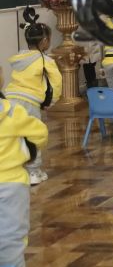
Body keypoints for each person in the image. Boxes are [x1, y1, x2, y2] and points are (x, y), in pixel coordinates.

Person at [5, 15, 61, 185]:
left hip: (10, 99)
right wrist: (50, 102)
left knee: (16, 134)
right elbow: (57, 83)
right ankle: (34, 171)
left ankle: (17, 166)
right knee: (34, 135)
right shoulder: (46, 60)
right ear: (44, 41)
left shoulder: (19, 58)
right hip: (30, 102)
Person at [0, 92, 48, 267]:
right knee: (12, 237)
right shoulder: (12, 111)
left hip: (13, 185)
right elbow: (40, 134)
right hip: (12, 184)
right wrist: (30, 151)